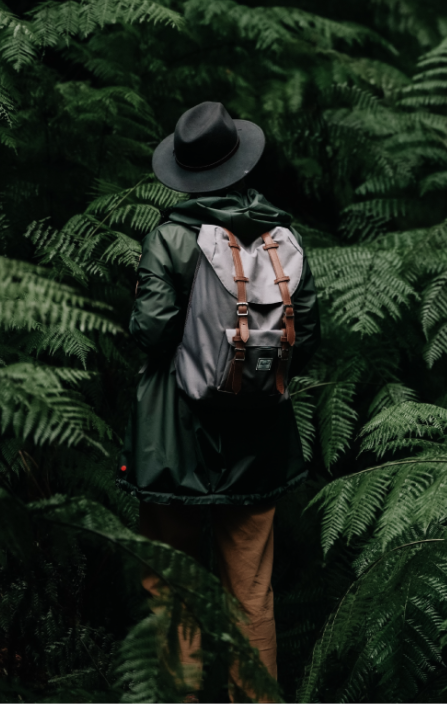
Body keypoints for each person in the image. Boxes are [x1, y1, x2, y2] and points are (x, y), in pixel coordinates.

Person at [117, 101, 320, 704]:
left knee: (173, 591)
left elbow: (151, 333)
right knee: (252, 595)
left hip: (172, 441)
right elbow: (304, 339)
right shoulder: (284, 238)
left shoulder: (171, 237)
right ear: (240, 160)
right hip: (258, 440)